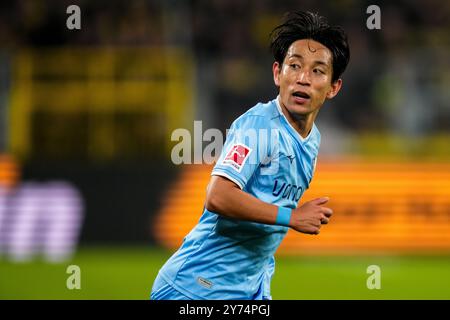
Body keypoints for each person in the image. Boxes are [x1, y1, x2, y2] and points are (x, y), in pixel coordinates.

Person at [151, 10, 350, 300]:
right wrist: (291, 216)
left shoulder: (312, 139)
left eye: (317, 70)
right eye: (294, 66)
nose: (303, 78)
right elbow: (218, 195)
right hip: (195, 288)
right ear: (277, 73)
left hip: (247, 288)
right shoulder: (259, 125)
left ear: (333, 87)